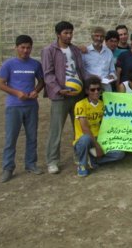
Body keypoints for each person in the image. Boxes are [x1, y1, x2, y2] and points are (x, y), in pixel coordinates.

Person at [0, 35, 45, 183]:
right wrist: (17, 93)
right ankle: (8, 168)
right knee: (11, 138)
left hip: (31, 106)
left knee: (32, 137)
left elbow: (42, 81)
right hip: (14, 106)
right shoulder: (9, 64)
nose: (25, 50)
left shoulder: (35, 64)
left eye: (28, 47)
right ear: (16, 47)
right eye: (22, 47)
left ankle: (31, 164)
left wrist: (36, 91)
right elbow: (1, 84)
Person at [41, 21, 85, 174]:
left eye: (71, 32)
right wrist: (59, 90)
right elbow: (48, 74)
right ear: (58, 34)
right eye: (66, 33)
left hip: (77, 94)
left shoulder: (75, 50)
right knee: (56, 129)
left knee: (78, 127)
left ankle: (79, 155)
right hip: (60, 96)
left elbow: (81, 70)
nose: (69, 35)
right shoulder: (49, 50)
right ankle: (52, 161)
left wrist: (84, 87)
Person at [73, 76, 125, 177]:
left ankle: (94, 160)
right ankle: (82, 165)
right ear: (87, 91)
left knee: (119, 154)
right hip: (84, 140)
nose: (96, 92)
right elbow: (85, 129)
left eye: (98, 89)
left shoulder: (102, 104)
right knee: (86, 138)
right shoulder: (80, 105)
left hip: (99, 138)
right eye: (92, 89)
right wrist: (97, 146)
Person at [82, 26, 116, 92]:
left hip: (106, 88)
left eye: (102, 36)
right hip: (91, 88)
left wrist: (112, 76)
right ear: (92, 37)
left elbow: (112, 70)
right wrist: (91, 77)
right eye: (96, 36)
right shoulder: (85, 52)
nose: (99, 38)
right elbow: (82, 70)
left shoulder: (109, 52)